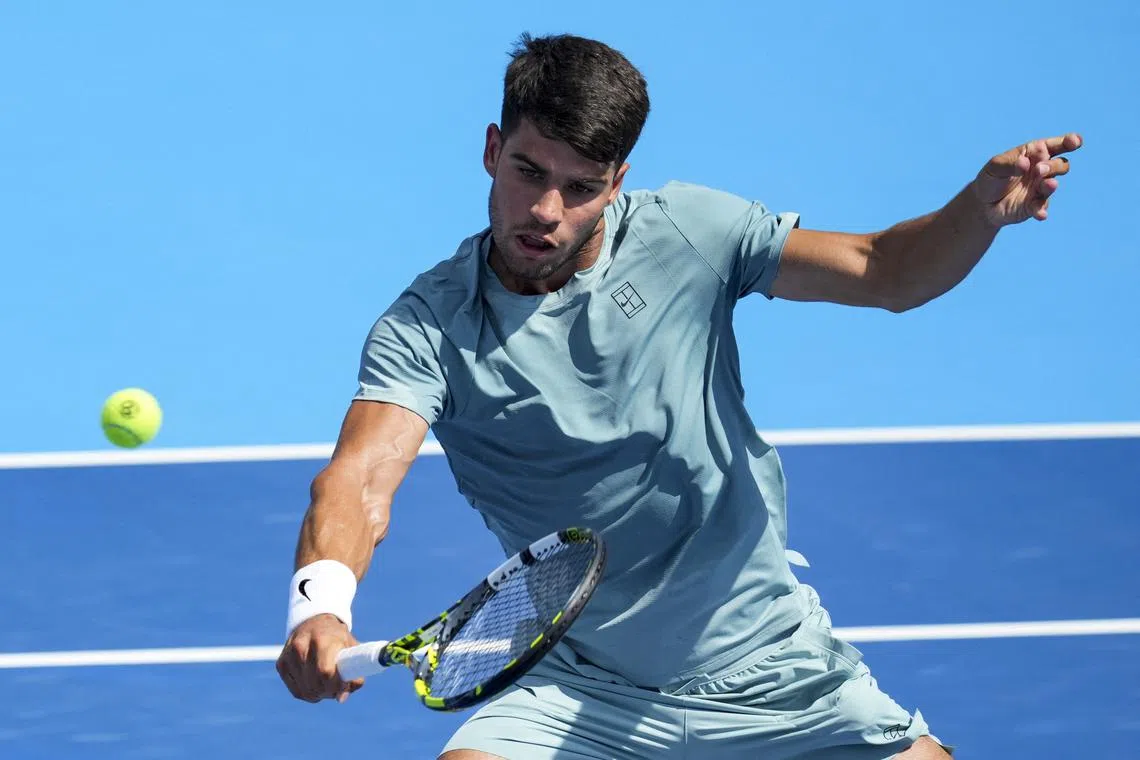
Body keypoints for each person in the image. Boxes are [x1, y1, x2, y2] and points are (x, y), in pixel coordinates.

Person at [275, 32, 1081, 759]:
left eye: (581, 187)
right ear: (492, 150)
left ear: (618, 182)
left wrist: (976, 214)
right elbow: (360, 479)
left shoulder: (690, 233)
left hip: (771, 664)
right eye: (529, 172)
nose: (546, 212)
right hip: (582, 687)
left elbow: (884, 270)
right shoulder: (428, 327)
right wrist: (319, 604)